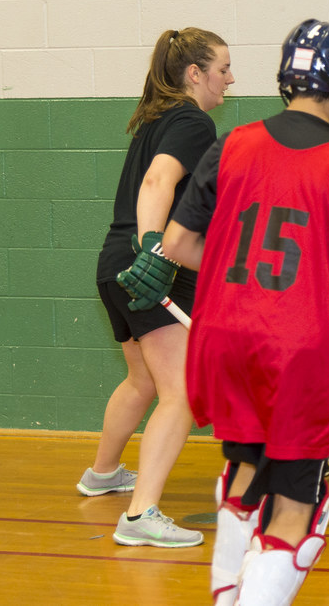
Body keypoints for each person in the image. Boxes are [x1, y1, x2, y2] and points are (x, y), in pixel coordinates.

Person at [159, 19, 329, 605]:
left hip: (224, 340)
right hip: (298, 350)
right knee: (299, 510)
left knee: (245, 473)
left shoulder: (232, 142)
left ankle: (226, 592)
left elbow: (180, 244)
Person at [77, 27, 234, 549]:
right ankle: (140, 514)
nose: (229, 80)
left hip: (112, 265)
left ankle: (102, 474)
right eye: (222, 70)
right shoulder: (191, 120)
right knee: (181, 392)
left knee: (142, 380)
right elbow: (157, 183)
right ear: (196, 74)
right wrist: (153, 248)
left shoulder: (156, 120)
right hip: (149, 265)